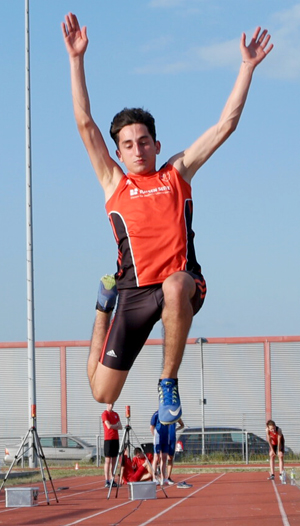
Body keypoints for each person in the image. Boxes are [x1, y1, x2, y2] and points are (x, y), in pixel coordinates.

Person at [61, 13, 273, 425]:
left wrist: (246, 68)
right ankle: (102, 309)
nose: (137, 150)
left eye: (144, 142)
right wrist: (76, 60)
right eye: (128, 145)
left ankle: (168, 384)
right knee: (102, 393)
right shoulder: (114, 184)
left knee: (177, 284)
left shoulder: (177, 172)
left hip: (180, 282)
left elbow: (224, 125)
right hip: (133, 292)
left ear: (157, 145)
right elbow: (85, 124)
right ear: (118, 154)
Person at [102, 403, 122, 488]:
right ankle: (107, 480)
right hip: (108, 439)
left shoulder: (116, 414)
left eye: (112, 404)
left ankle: (112, 479)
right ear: (107, 404)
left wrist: (115, 426)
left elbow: (120, 426)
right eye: (110, 404)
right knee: (107, 460)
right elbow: (108, 426)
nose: (111, 405)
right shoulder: (105, 414)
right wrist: (115, 426)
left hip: (115, 439)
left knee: (114, 460)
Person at [150, 410, 170, 485]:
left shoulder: (167, 413)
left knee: (164, 457)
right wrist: (155, 436)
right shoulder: (156, 414)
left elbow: (169, 424)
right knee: (156, 457)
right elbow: (151, 426)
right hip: (158, 437)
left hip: (165, 437)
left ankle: (163, 477)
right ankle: (154, 478)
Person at [167, 417, 184, 484]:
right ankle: (159, 475)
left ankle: (168, 477)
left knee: (170, 458)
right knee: (162, 457)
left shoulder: (176, 416)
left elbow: (182, 425)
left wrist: (176, 429)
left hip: (172, 438)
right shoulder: (164, 415)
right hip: (165, 438)